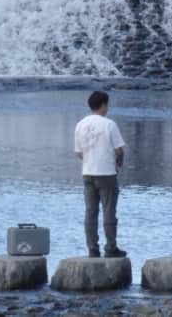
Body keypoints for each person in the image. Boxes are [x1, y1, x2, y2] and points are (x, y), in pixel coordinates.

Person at [74, 90, 127, 258]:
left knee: (90, 212)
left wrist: (90, 159)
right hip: (106, 174)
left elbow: (78, 152)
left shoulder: (80, 124)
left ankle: (92, 248)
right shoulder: (109, 124)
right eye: (107, 104)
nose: (107, 108)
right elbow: (119, 149)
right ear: (103, 105)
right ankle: (111, 248)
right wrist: (118, 161)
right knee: (109, 211)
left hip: (88, 173)